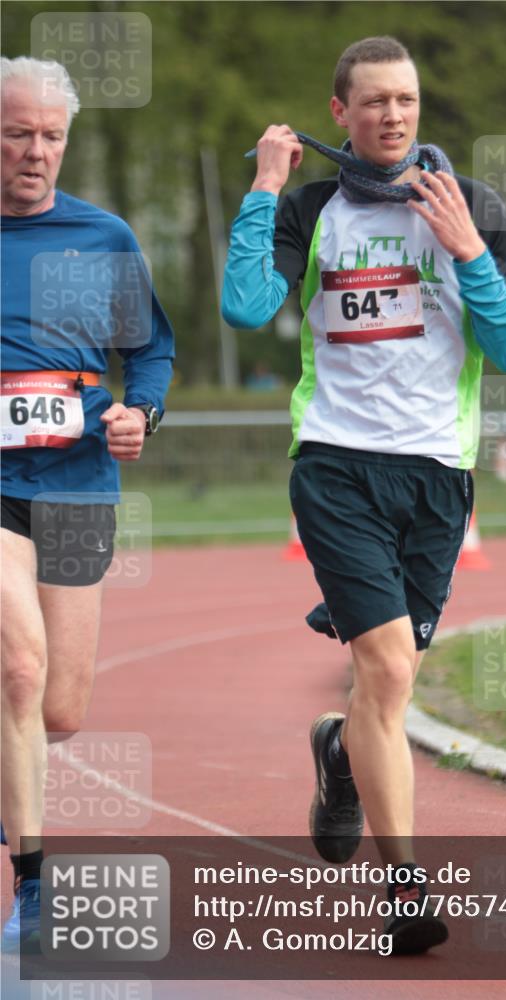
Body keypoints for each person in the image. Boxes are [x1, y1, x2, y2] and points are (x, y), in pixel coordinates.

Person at [222, 36, 506, 954]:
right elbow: (246, 307)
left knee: (383, 686)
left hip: (437, 473)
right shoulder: (311, 208)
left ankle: (339, 748)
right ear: (339, 114)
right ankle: (404, 891)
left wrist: (467, 252)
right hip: (336, 464)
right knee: (388, 671)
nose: (391, 116)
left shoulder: (472, 205)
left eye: (404, 100)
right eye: (373, 102)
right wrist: (263, 189)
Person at [1, 56, 175, 950]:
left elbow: (149, 351)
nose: (36, 151)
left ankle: (11, 780)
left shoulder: (102, 236)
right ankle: (34, 885)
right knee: (19, 670)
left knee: (59, 711)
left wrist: (140, 413)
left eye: (51, 136)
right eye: (16, 134)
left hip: (77, 483)